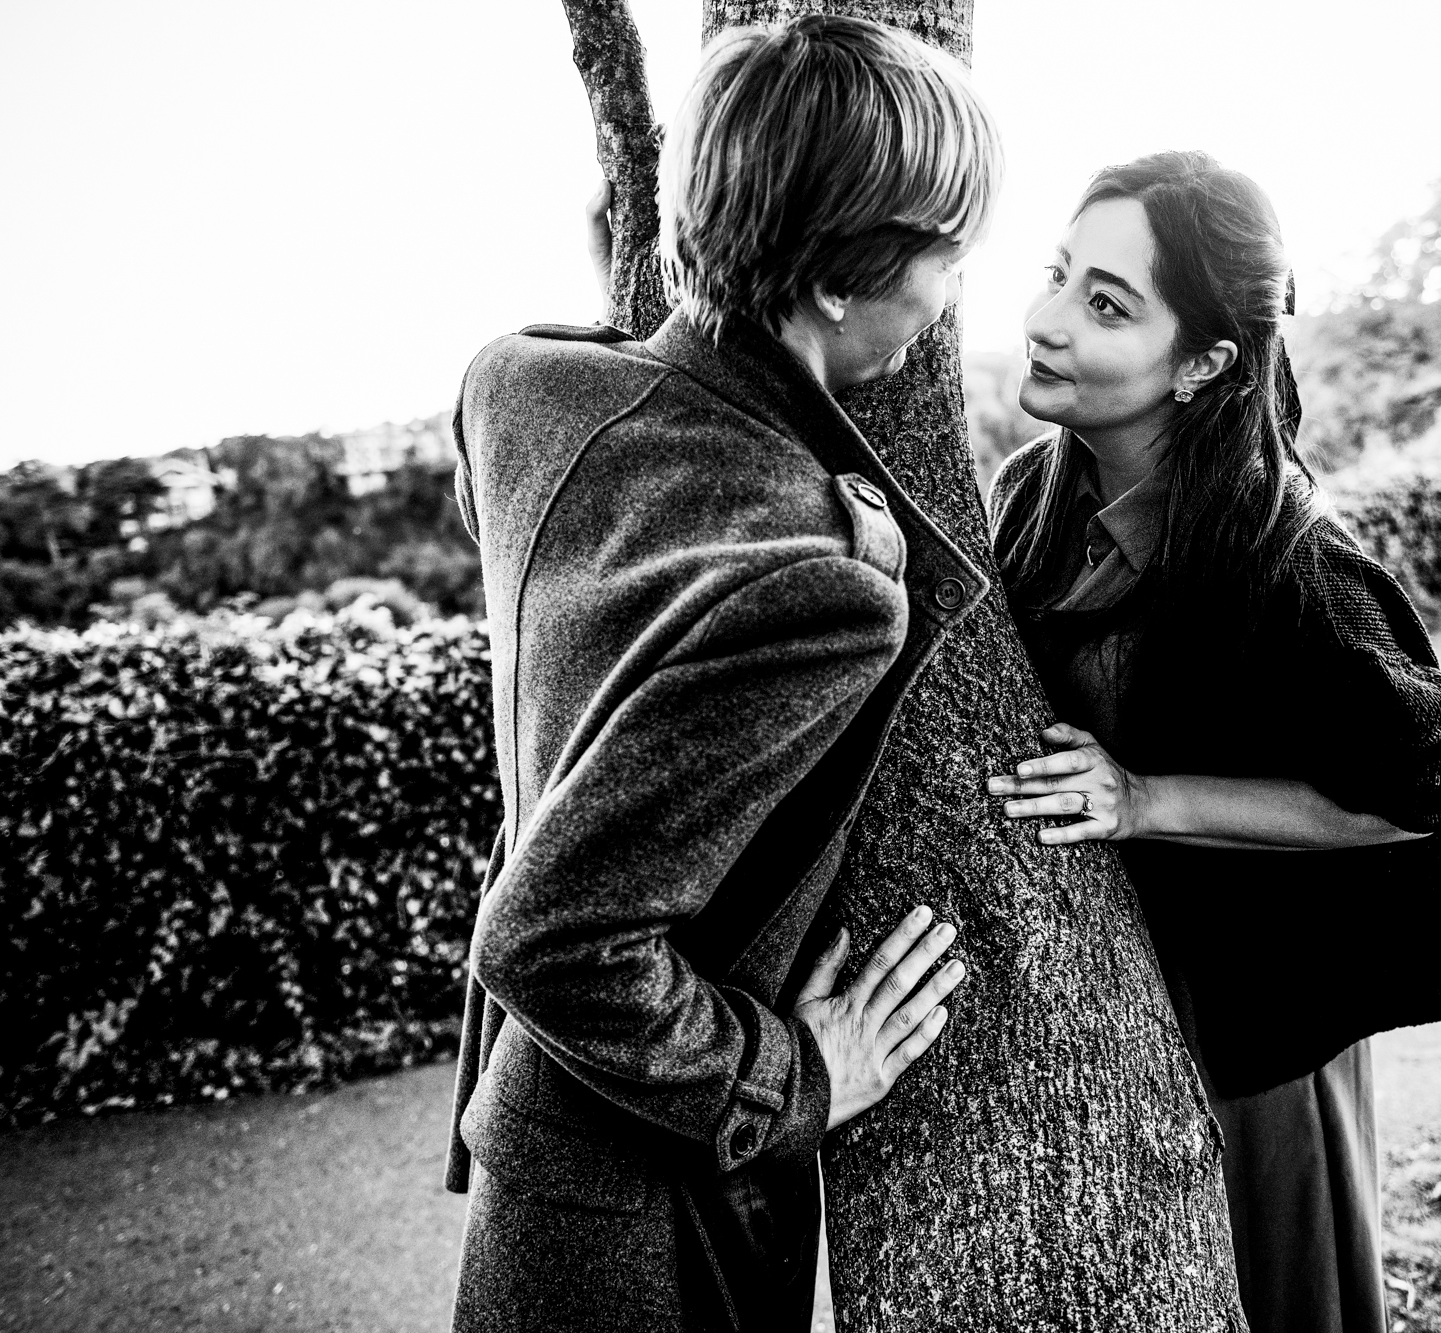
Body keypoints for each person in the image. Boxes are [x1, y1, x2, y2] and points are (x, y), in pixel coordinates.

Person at [442, 17, 1003, 1332]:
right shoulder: (813, 586)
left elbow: (509, 518)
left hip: (542, 1161)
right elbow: (550, 941)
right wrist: (800, 1074)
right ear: (835, 285)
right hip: (646, 1209)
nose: (948, 294)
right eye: (944, 255)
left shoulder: (519, 387)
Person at [985, 151, 1441, 1333]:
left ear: (1203, 362)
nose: (1046, 323)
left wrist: (1147, 799)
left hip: (1255, 1041)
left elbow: (1423, 783)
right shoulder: (1023, 497)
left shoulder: (1287, 565)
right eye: (1056, 276)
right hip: (1102, 1026)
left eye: (1106, 304)